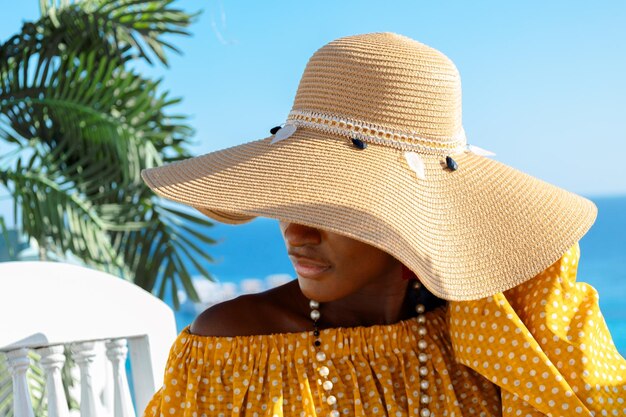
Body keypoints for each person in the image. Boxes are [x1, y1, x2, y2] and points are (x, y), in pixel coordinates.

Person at [141, 33, 626, 416]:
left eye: (332, 208)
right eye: (292, 197)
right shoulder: (234, 348)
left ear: (410, 213)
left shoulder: (486, 328)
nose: (296, 232)